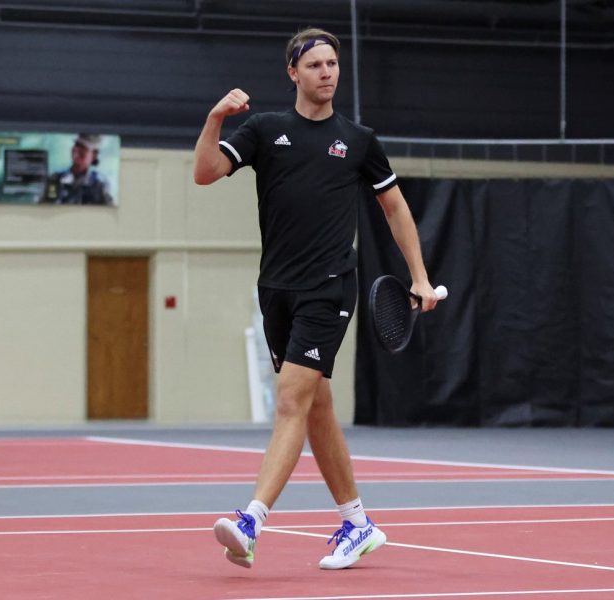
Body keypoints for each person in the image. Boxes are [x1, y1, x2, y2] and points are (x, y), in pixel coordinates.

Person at [192, 27, 441, 571]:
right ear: (293, 73)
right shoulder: (264, 130)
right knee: (317, 407)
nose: (327, 72)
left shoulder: (358, 140)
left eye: (332, 64)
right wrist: (215, 119)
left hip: (330, 287)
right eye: (315, 65)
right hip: (276, 288)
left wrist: (418, 277)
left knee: (290, 400)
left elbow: (395, 208)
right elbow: (205, 173)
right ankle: (358, 523)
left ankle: (250, 520)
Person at [42, 133, 114, 205]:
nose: (77, 150)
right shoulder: (56, 179)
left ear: (94, 155)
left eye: (83, 148)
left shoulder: (100, 184)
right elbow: (45, 206)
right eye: (77, 145)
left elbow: (109, 211)